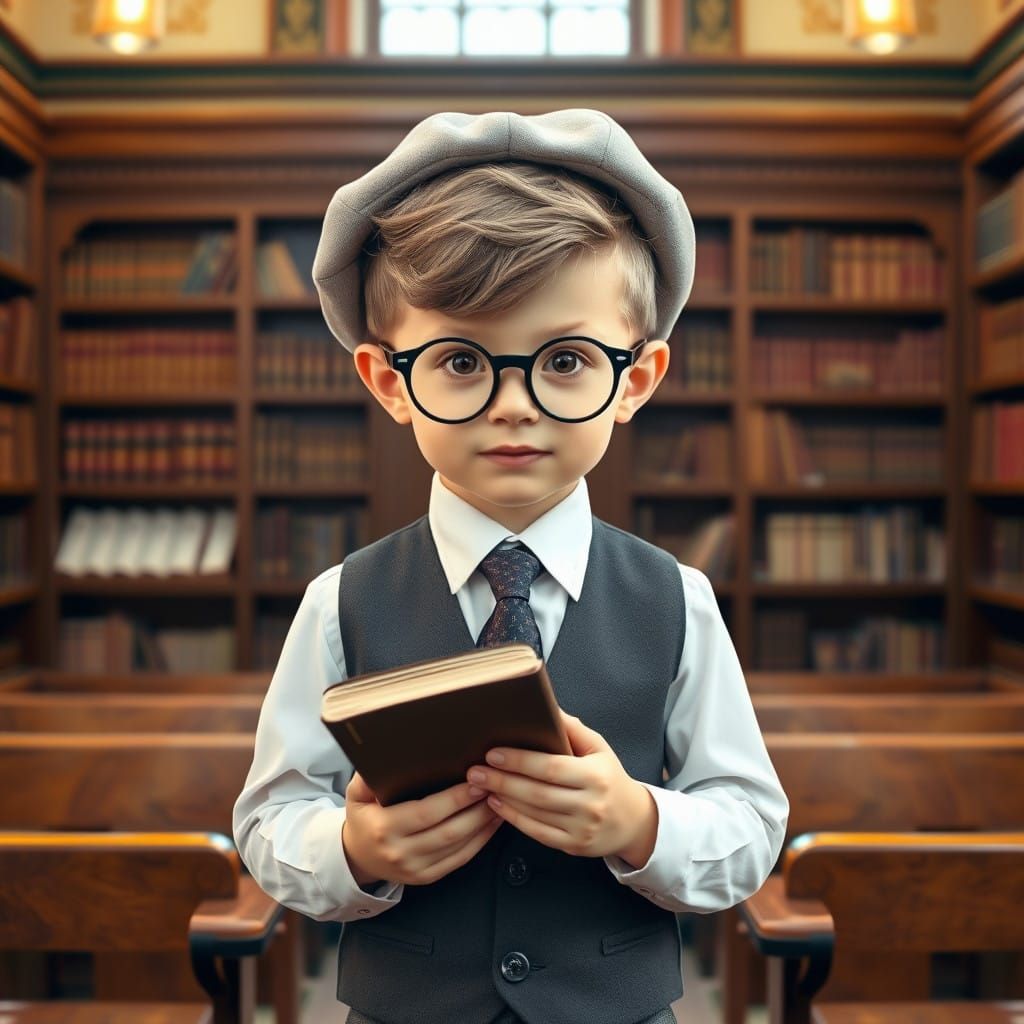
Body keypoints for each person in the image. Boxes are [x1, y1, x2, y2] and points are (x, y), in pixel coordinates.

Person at [233, 109, 788, 1024]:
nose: (515, 405)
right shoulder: (340, 602)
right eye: (461, 360)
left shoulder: (678, 600)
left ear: (637, 380)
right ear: (389, 381)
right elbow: (270, 819)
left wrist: (638, 823)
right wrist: (356, 851)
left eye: (565, 359)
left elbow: (750, 822)